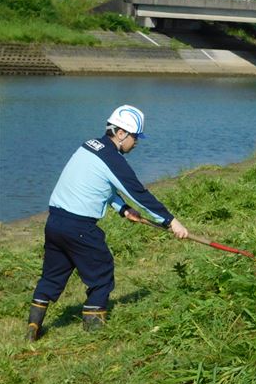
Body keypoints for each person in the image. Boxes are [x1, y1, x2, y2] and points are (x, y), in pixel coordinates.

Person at [26, 105, 189, 342]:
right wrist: (171, 221)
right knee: (102, 272)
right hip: (79, 226)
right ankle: (94, 331)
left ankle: (33, 328)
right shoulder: (112, 158)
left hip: (55, 223)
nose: (136, 143)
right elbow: (138, 192)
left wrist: (122, 209)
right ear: (121, 133)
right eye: (135, 137)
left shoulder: (90, 146)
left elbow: (101, 187)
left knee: (52, 275)